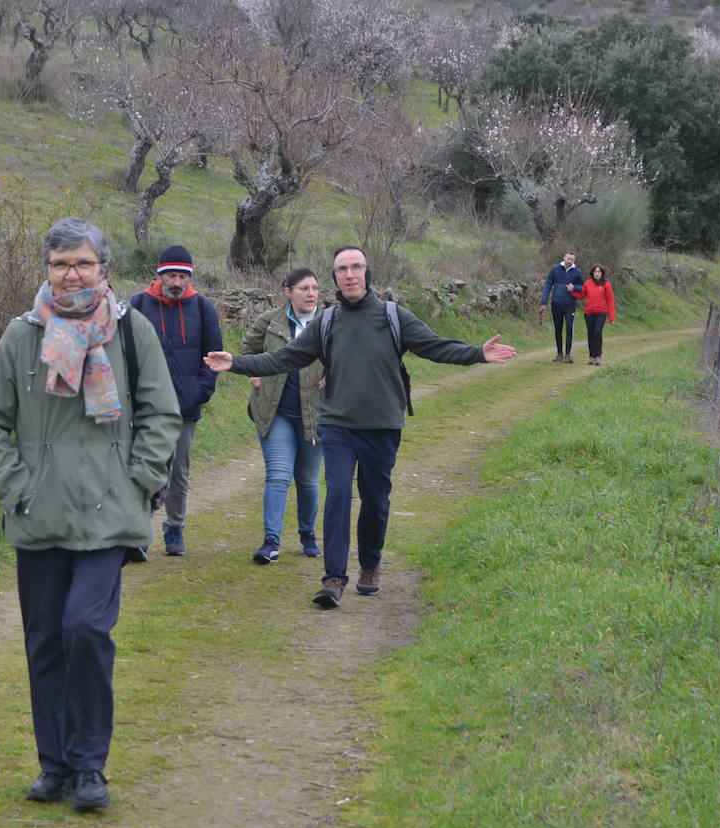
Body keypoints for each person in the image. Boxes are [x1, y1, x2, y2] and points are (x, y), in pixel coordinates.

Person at [0, 218, 181, 812]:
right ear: (47, 270)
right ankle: (55, 765)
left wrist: (139, 479)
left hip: (108, 513)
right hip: (38, 515)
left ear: (103, 268)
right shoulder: (22, 335)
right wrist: (17, 485)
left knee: (86, 630)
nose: (72, 274)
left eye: (83, 263)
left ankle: (90, 767)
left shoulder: (132, 331)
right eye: (61, 263)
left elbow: (161, 413)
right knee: (45, 640)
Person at [204, 246, 517, 608]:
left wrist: (478, 353)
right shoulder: (327, 321)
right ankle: (333, 577)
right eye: (342, 269)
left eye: (356, 267)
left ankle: (370, 563)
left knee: (375, 501)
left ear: (367, 273)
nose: (349, 274)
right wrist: (238, 363)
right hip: (337, 425)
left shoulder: (393, 316)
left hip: (382, 425)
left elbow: (434, 347)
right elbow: (286, 357)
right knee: (337, 495)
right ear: (334, 277)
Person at [130, 245, 223, 557]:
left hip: (185, 407)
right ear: (159, 275)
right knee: (146, 467)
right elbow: (126, 353)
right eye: (171, 274)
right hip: (146, 407)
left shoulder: (203, 308)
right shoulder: (139, 304)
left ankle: (175, 528)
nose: (177, 281)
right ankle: (140, 533)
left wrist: (201, 391)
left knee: (178, 470)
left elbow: (214, 357)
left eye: (183, 275)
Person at [243, 268, 325, 565]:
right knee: (277, 475)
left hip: (315, 414)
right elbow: (249, 350)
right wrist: (254, 372)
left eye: (315, 288)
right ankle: (271, 542)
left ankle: (308, 536)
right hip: (275, 411)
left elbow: (343, 356)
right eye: (304, 288)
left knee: (307, 479)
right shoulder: (269, 322)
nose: (311, 293)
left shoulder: (328, 323)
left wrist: (332, 375)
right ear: (287, 292)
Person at [540, 251, 586, 364]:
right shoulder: (555, 270)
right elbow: (547, 285)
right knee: (558, 329)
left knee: (569, 328)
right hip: (556, 304)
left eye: (572, 260)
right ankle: (559, 353)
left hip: (570, 305)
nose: (570, 261)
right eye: (568, 259)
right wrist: (544, 302)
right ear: (564, 258)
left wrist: (574, 287)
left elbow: (583, 287)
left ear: (574, 261)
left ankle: (568, 354)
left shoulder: (577, 272)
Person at [581, 263, 617, 366]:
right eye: (595, 272)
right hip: (588, 312)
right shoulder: (587, 283)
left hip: (601, 312)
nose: (597, 274)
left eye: (599, 272)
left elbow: (610, 300)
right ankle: (591, 357)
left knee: (597, 332)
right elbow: (581, 295)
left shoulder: (606, 284)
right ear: (592, 273)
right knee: (590, 334)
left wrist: (612, 317)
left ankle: (598, 356)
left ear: (602, 273)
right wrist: (571, 290)